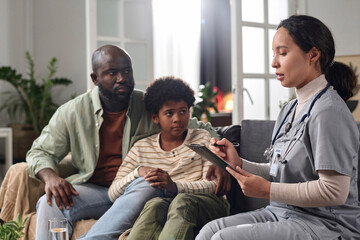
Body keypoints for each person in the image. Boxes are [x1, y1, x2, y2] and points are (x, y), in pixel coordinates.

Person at [26, 45, 230, 240]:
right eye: (112, 73)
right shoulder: (72, 112)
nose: (122, 78)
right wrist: (50, 177)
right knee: (49, 201)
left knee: (150, 181)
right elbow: (39, 152)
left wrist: (218, 161)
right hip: (95, 190)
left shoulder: (149, 105)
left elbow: (202, 129)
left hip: (137, 189)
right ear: (95, 79)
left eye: (127, 71)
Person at [196, 15, 360, 240]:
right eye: (274, 54)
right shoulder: (289, 110)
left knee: (222, 239)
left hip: (326, 224)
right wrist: (238, 163)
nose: (274, 63)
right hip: (282, 212)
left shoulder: (329, 112)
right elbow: (279, 172)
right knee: (209, 232)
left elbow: (335, 191)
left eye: (282, 53)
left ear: (313, 54)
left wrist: (267, 190)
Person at [78, 76, 229, 239]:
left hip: (208, 204)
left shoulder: (202, 138)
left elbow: (214, 185)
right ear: (155, 117)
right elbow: (113, 193)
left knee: (181, 202)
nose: (177, 119)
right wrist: (138, 172)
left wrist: (175, 187)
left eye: (183, 111)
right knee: (153, 205)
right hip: (168, 205)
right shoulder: (142, 148)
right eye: (169, 113)